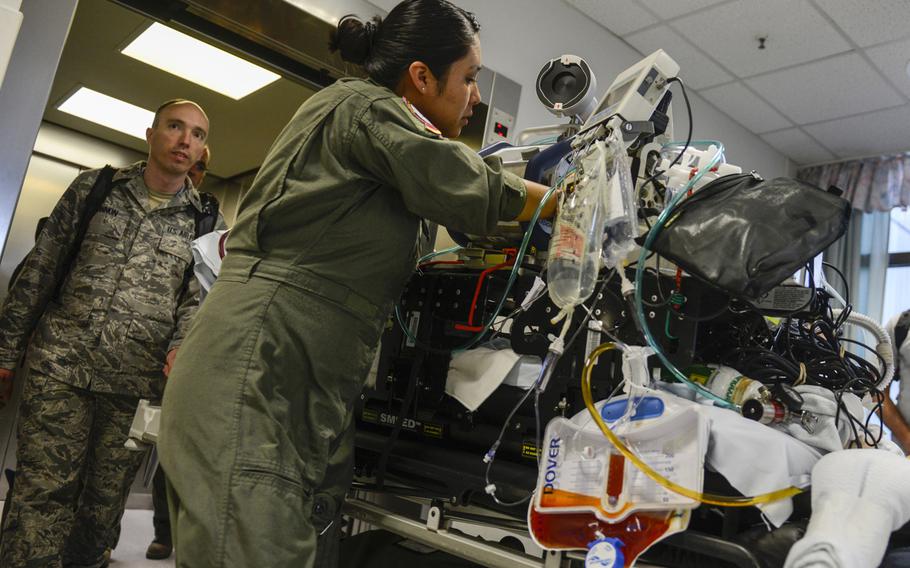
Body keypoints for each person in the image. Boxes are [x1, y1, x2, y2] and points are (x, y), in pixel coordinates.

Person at [157, 1, 556, 566]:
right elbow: (459, 180)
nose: (475, 97)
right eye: (467, 78)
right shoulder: (363, 106)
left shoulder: (377, 145)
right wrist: (566, 205)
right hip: (258, 371)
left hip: (302, 385)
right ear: (421, 76)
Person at [0, 99, 213, 567]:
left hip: (134, 390)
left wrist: (181, 354)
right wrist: (6, 352)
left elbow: (193, 306)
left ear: (201, 151)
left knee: (100, 511)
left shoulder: (203, 223)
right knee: (42, 494)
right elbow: (41, 268)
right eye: (175, 127)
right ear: (151, 134)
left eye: (197, 134)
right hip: (61, 369)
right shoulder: (95, 189)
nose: (185, 140)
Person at [145, 145, 211, 562]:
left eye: (204, 165)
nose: (197, 171)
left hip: (179, 358)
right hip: (124, 352)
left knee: (170, 449)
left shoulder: (208, 221)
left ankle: (165, 532)